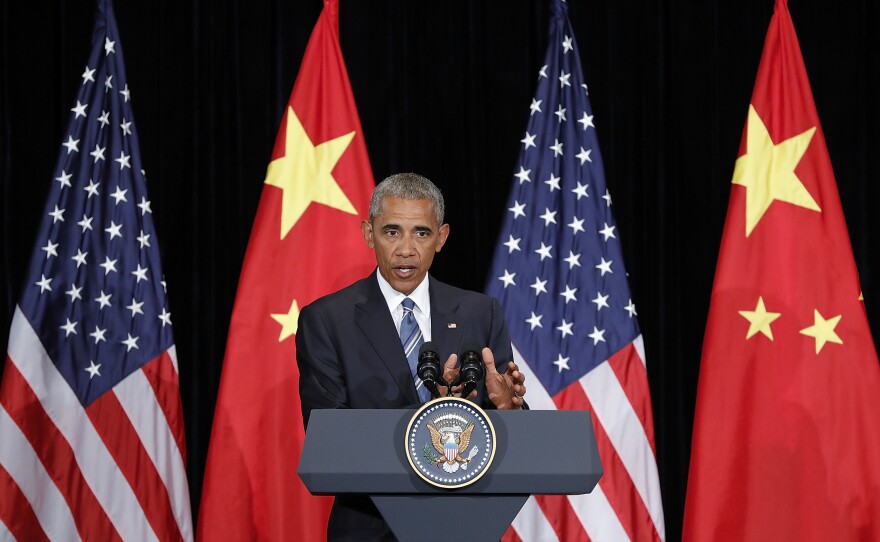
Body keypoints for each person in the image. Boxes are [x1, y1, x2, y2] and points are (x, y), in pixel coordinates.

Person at [296, 172, 526, 541]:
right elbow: (329, 434)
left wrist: (508, 410)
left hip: (465, 522)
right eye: (391, 232)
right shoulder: (326, 319)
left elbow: (508, 432)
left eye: (421, 232)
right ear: (369, 234)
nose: (406, 249)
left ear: (442, 237)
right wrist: (437, 418)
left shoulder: (480, 312)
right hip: (370, 525)